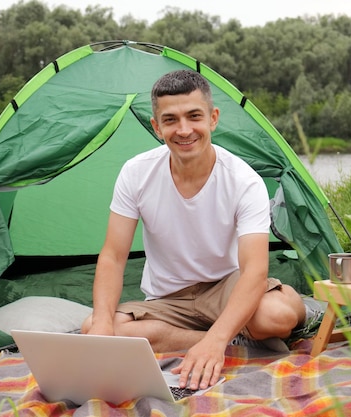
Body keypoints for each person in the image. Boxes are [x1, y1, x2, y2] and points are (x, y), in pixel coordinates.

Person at [81, 69, 308, 391]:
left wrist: (217, 338)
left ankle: (268, 313)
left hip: (226, 286)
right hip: (168, 299)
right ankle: (229, 342)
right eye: (171, 120)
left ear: (213, 118)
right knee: (94, 327)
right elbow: (113, 256)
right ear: (156, 127)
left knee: (275, 317)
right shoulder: (136, 172)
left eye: (194, 116)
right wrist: (104, 323)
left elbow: (255, 270)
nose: (184, 130)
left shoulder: (243, 181)